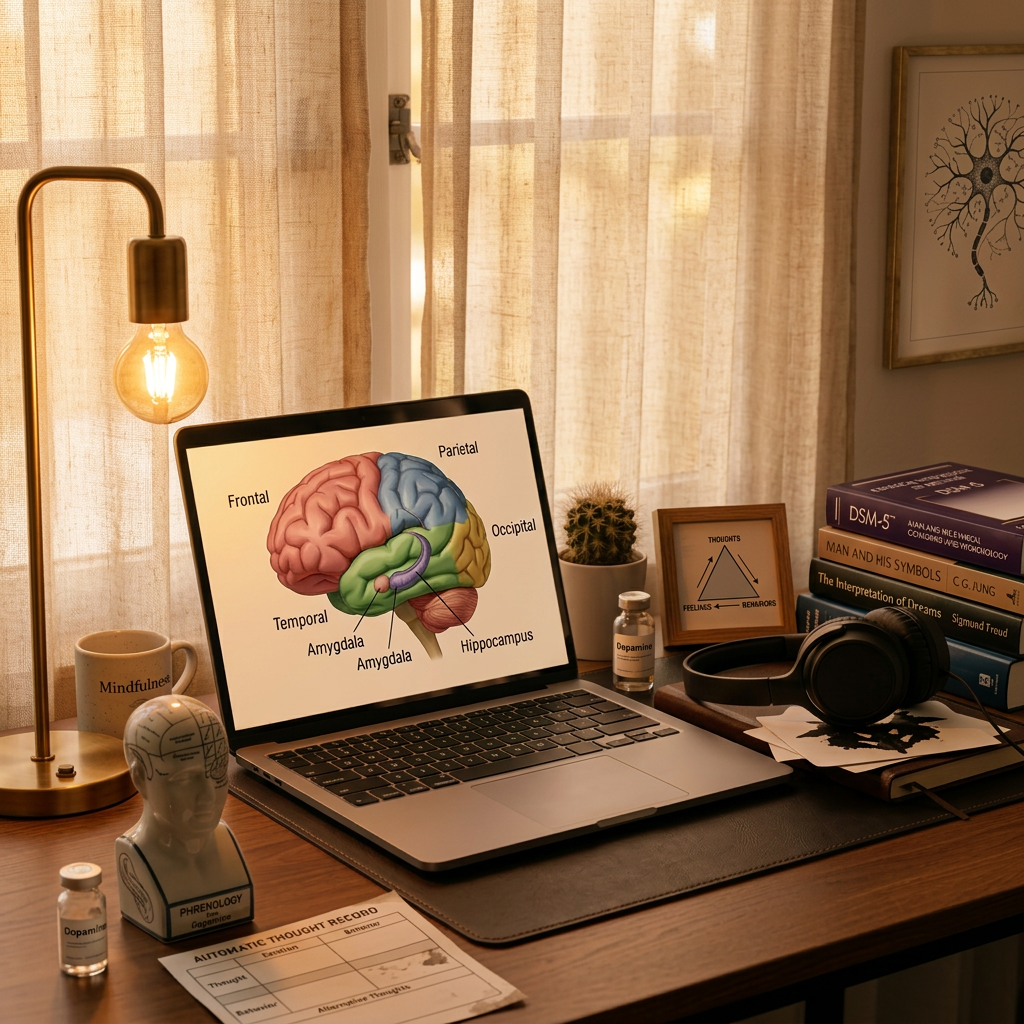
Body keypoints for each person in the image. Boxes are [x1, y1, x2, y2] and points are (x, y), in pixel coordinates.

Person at [117, 695, 251, 938]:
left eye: (219, 771)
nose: (208, 796)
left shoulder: (226, 844)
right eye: (185, 779)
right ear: (139, 778)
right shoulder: (136, 856)